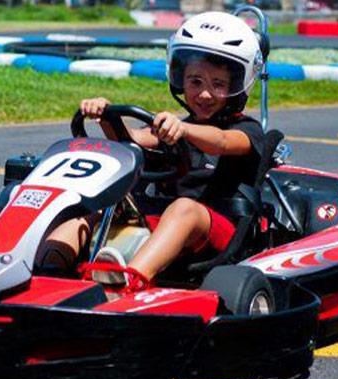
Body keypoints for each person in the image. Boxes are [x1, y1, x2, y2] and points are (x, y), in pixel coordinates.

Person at [36, 11, 266, 292]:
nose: (204, 94)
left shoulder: (248, 131)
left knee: (184, 209)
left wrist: (184, 131)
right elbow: (131, 141)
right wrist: (106, 116)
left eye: (217, 84)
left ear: (236, 85)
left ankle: (129, 279)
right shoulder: (177, 127)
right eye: (195, 82)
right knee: (92, 210)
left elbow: (220, 141)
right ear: (181, 79)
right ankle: (46, 273)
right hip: (166, 222)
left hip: (220, 230)